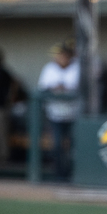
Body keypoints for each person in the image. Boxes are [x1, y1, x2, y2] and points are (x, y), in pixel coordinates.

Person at [37, 39, 82, 181]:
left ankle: (73, 175)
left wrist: (63, 89)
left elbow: (79, 88)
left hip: (74, 115)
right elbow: (42, 88)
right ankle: (59, 175)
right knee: (56, 146)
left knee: (75, 147)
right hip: (55, 114)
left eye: (61, 55)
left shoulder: (77, 68)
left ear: (68, 55)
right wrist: (55, 89)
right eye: (56, 55)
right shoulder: (49, 68)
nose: (58, 58)